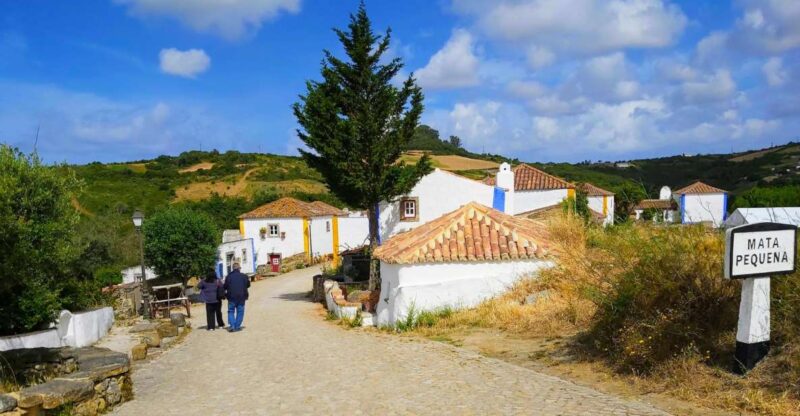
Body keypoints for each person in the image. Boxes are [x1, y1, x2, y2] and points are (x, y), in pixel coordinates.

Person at [223, 263, 250, 332]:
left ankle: (232, 325)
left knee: (231, 311)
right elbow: (248, 285)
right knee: (240, 311)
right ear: (239, 268)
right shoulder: (244, 276)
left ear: (233, 268)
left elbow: (225, 286)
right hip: (242, 296)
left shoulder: (228, 276)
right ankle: (237, 326)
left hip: (231, 296)